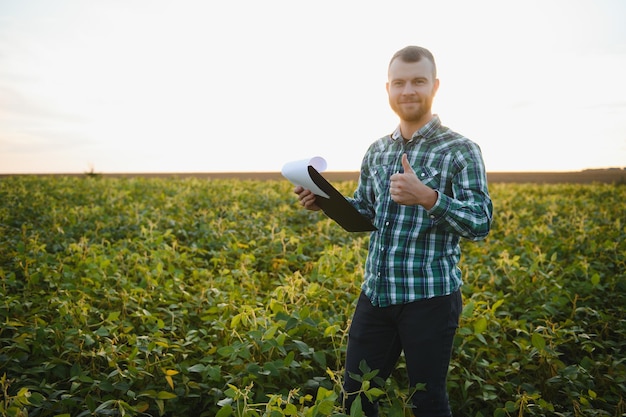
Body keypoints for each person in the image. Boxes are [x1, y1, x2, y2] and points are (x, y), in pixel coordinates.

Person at [294, 45, 493, 417]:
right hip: (376, 295)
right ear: (387, 89)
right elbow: (365, 213)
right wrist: (322, 201)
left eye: (418, 81)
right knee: (355, 398)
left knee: (427, 401)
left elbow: (480, 222)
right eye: (399, 83)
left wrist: (429, 198)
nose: (408, 91)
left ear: (435, 86)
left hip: (430, 299)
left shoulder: (461, 150)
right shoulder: (377, 151)